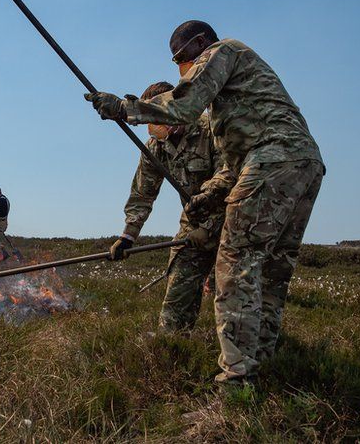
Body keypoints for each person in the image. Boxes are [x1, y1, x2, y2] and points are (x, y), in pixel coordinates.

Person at [85, 20, 324, 384]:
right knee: (272, 271)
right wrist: (206, 197)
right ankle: (260, 361)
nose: (183, 69)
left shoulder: (222, 51)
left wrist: (123, 108)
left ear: (200, 44)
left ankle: (237, 381)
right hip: (302, 163)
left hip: (273, 160)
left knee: (234, 265)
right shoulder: (230, 108)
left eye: (182, 59)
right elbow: (232, 168)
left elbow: (184, 104)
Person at [111, 81, 230, 333]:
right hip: (195, 221)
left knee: (236, 294)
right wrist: (128, 236)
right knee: (180, 277)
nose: (151, 126)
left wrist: (210, 228)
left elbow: (231, 179)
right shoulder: (156, 148)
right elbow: (143, 193)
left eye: (156, 116)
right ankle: (173, 341)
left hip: (235, 218)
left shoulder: (211, 128)